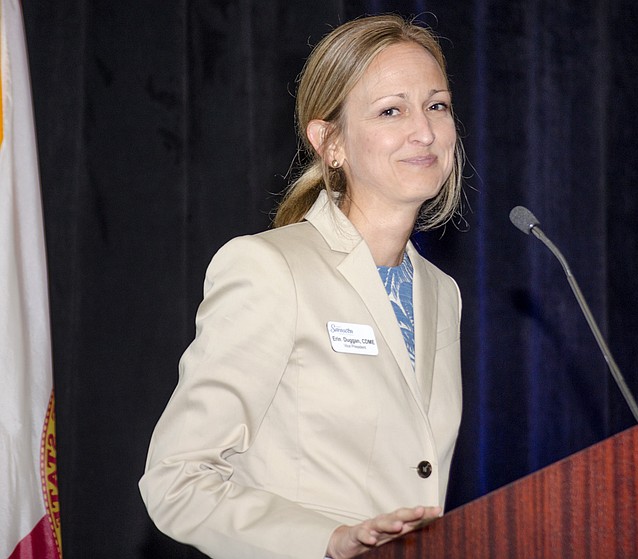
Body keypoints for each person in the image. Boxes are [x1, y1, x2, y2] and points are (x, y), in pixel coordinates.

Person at [138, 13, 465, 559]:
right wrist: (328, 542)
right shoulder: (269, 268)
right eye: (392, 110)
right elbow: (176, 481)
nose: (425, 131)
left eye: (437, 105)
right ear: (329, 141)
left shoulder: (441, 292)